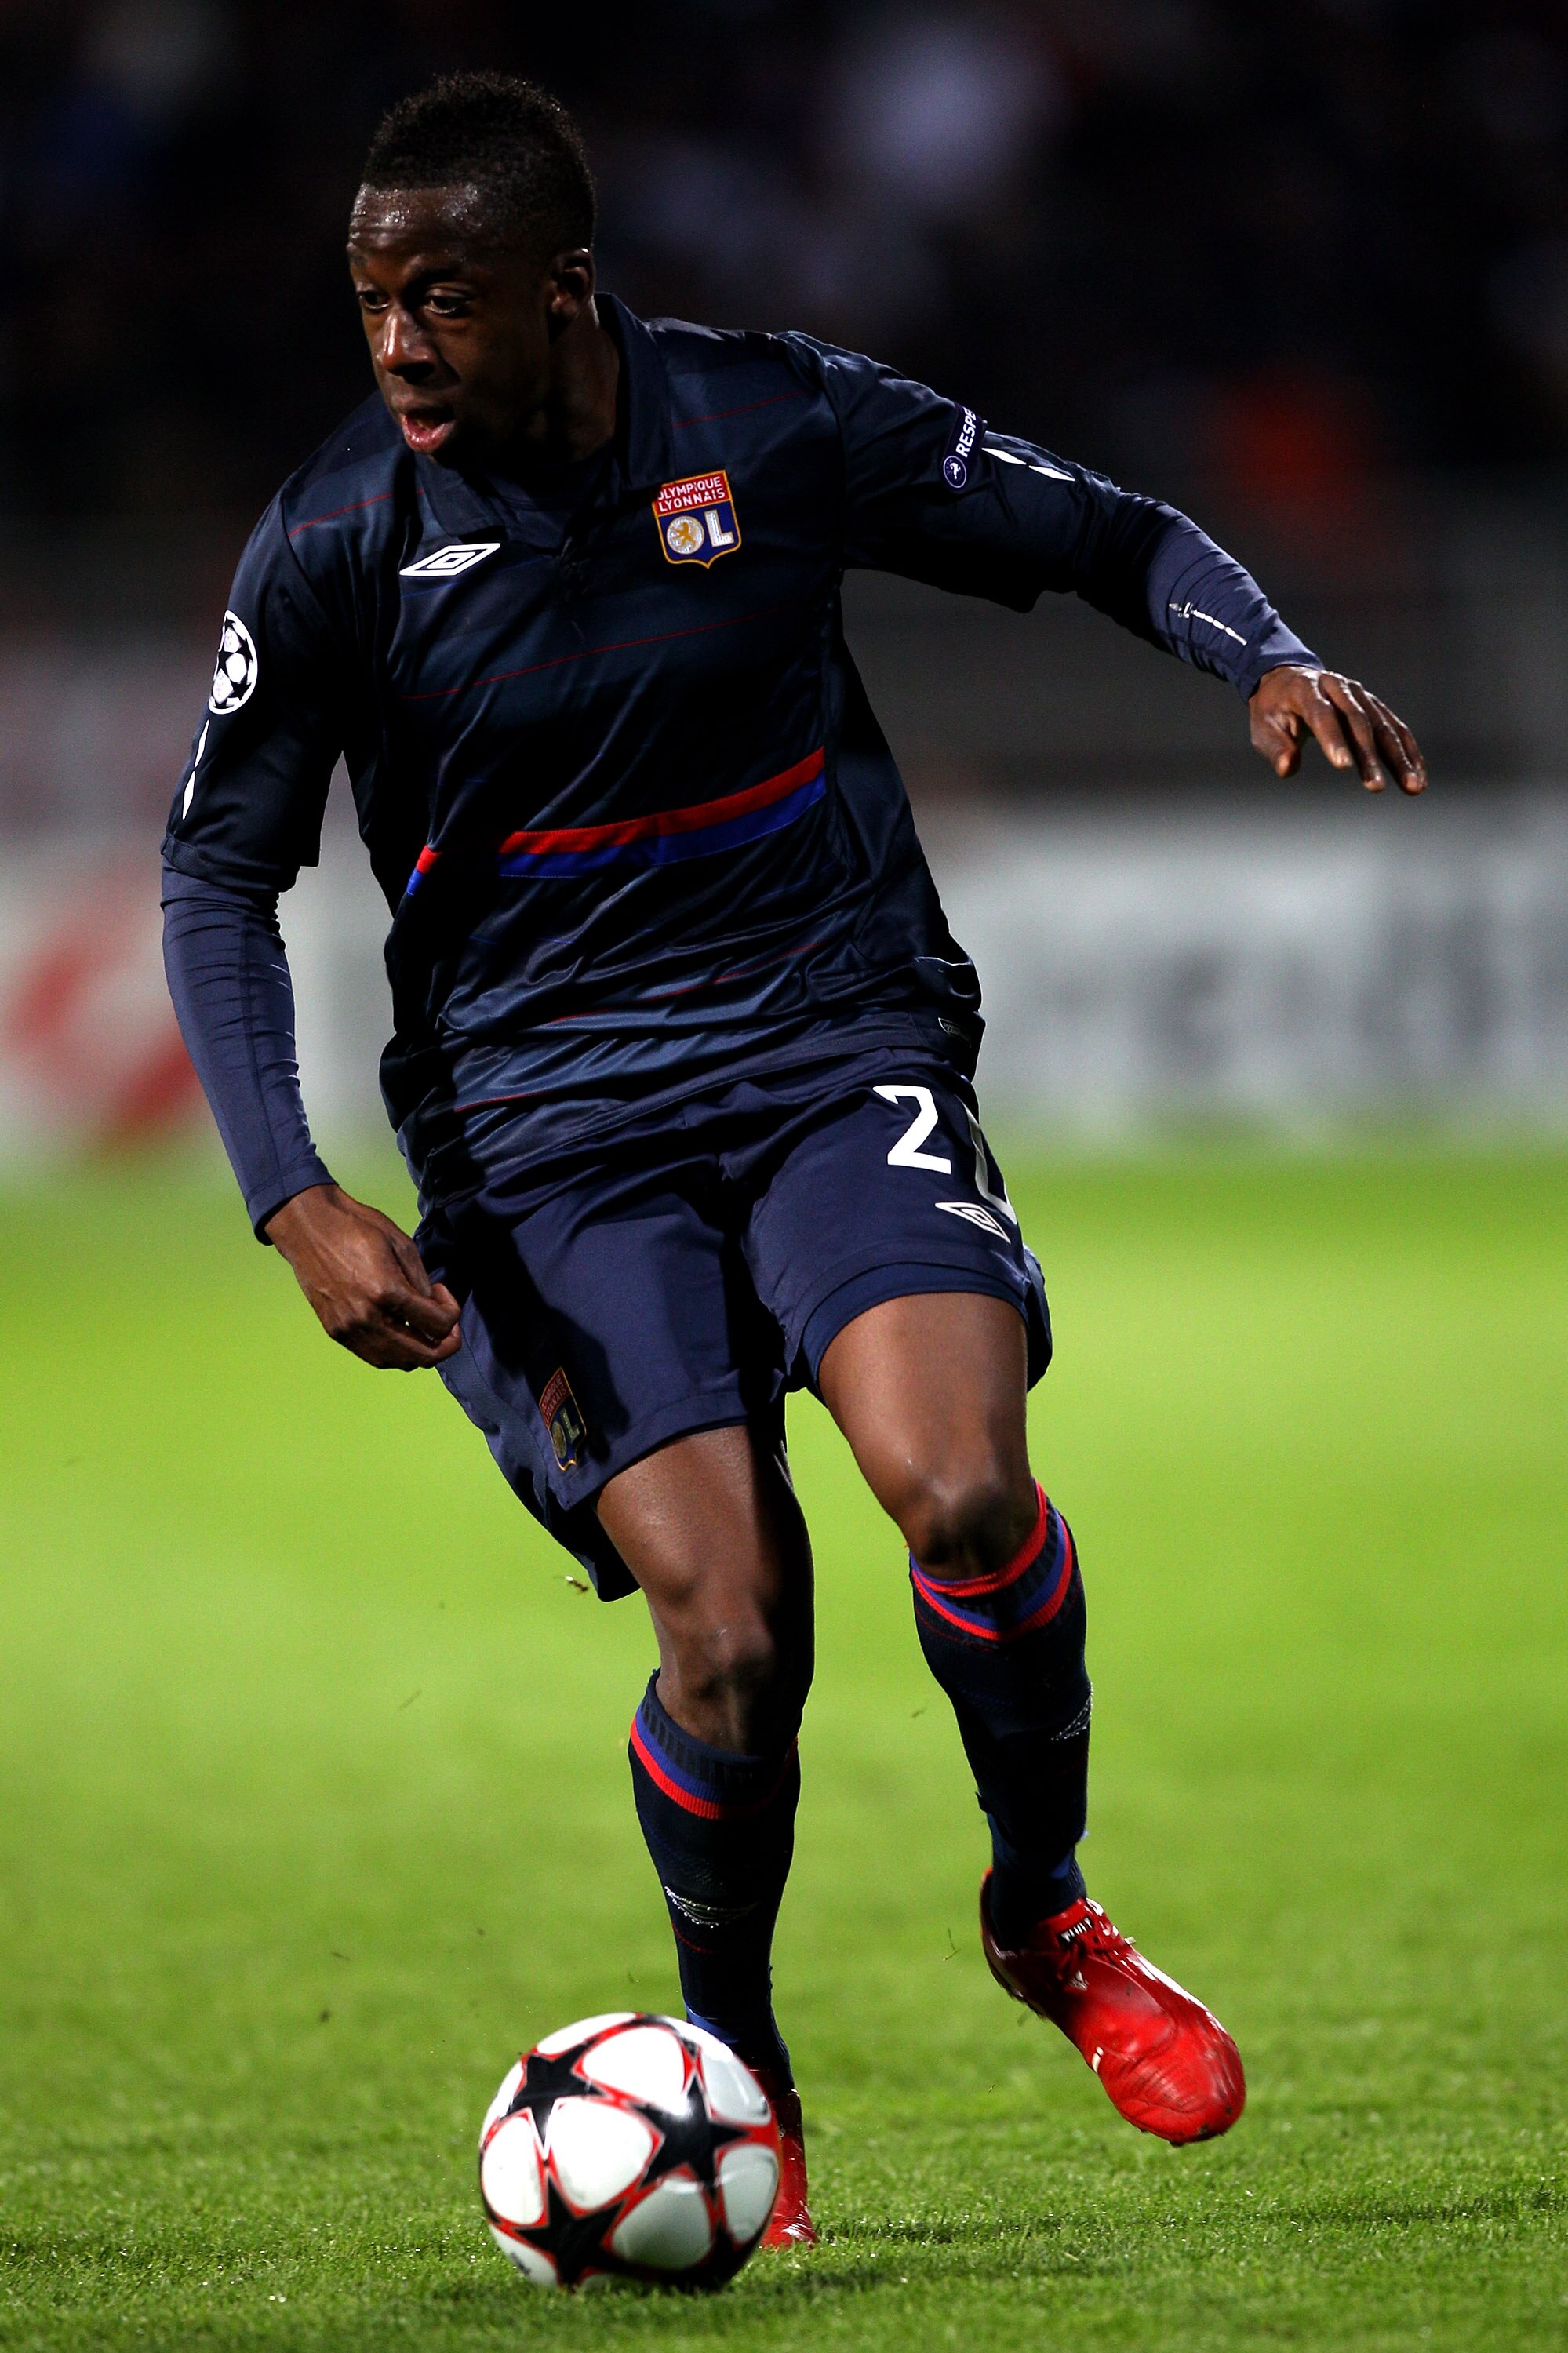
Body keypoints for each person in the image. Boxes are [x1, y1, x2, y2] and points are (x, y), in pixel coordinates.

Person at [162, 72, 1427, 2250]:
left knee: (961, 1486)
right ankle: (734, 2075)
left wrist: (1271, 652)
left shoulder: (775, 424)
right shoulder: (340, 536)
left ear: (565, 287)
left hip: (829, 1045)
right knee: (732, 1633)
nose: (395, 347)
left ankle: (1045, 1917)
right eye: (370, 303)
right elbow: (216, 878)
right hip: (544, 1137)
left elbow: (1109, 528)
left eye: (438, 299)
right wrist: (296, 1195)